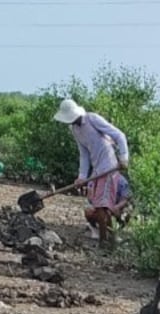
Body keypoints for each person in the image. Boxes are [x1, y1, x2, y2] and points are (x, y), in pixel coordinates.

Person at [52, 98, 129, 242]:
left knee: (101, 205)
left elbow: (119, 135)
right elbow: (84, 154)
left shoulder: (93, 119)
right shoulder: (74, 130)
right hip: (97, 168)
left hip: (109, 166)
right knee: (97, 205)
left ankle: (104, 241)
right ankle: (109, 238)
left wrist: (124, 158)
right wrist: (81, 176)